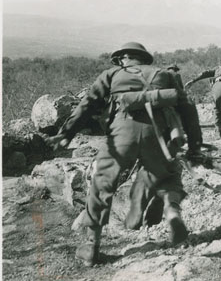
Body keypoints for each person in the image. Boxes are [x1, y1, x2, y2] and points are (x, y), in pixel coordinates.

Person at [47, 42, 203, 266]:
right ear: (144, 58)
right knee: (168, 176)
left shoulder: (111, 74)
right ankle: (172, 211)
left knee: (102, 183)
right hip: (159, 133)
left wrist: (66, 133)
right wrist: (196, 145)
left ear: (123, 59)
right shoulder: (165, 74)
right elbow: (187, 108)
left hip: (122, 132)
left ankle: (91, 246)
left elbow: (88, 103)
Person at [185, 61, 221, 138]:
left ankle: (218, 131)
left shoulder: (217, 69)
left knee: (217, 110)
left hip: (216, 89)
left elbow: (204, 74)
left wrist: (193, 80)